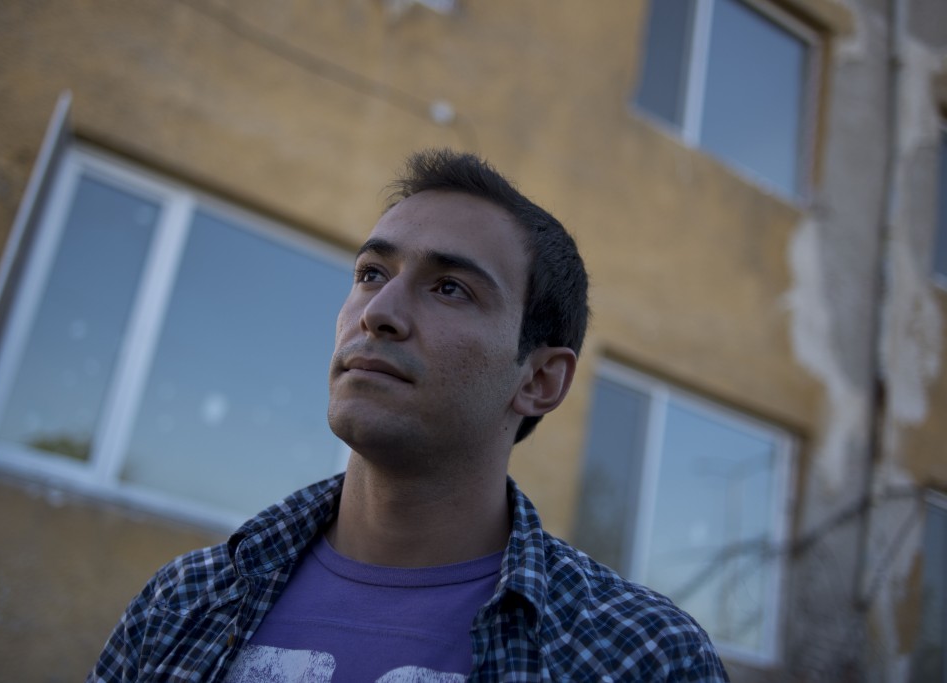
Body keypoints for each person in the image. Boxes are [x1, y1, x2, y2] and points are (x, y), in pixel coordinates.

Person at [88, 149, 730, 682]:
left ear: (538, 380)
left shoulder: (642, 655)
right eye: (371, 272)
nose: (379, 312)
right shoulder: (182, 603)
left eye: (450, 287)